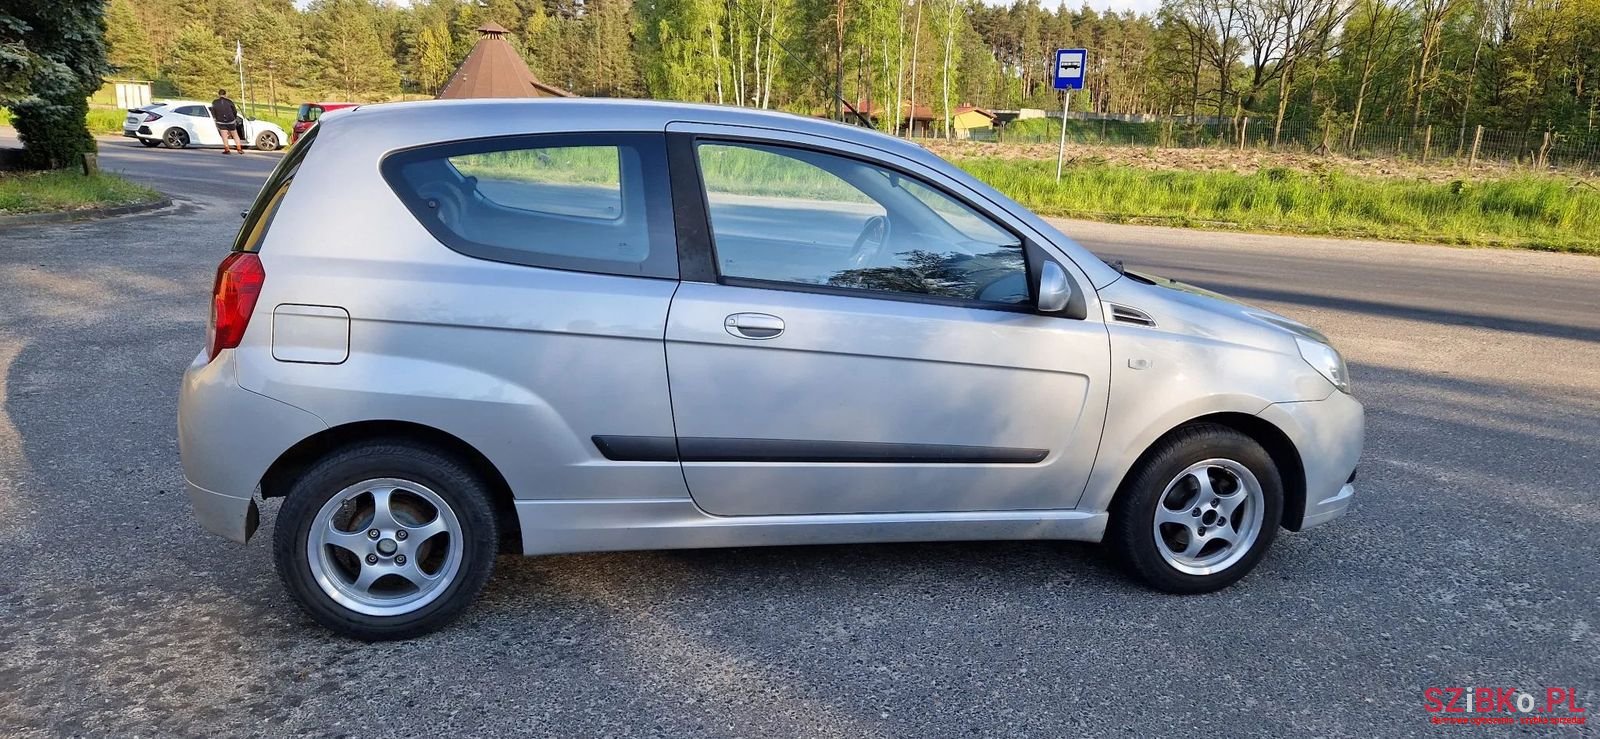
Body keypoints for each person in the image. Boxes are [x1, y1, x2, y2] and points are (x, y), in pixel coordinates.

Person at [210, 89, 246, 154]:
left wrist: (215, 118)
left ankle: (227, 149)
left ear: (219, 94)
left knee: (224, 135)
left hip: (220, 121)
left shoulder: (215, 102)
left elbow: (213, 111)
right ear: (225, 94)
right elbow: (234, 111)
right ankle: (239, 149)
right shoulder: (229, 101)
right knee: (235, 134)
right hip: (230, 120)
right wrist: (234, 118)